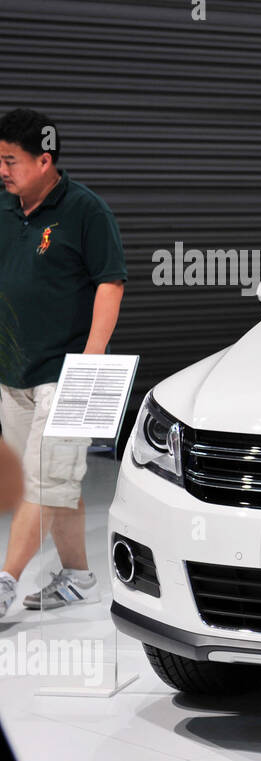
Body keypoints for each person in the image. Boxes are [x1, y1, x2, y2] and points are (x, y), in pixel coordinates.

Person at [0, 108, 126, 613]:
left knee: (45, 479)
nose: (2, 170)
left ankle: (5, 581)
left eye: (10, 160)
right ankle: (77, 575)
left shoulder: (85, 211)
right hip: (13, 375)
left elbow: (110, 283)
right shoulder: (6, 210)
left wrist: (90, 364)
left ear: (44, 160)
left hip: (70, 375)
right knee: (57, 479)